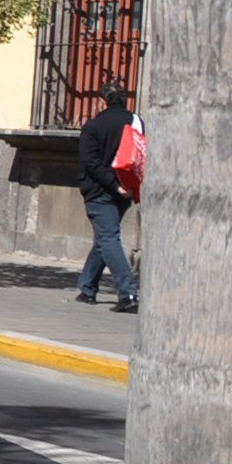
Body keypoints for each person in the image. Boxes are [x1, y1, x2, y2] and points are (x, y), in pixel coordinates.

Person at [75, 83, 141, 312]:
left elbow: (90, 162)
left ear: (103, 101)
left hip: (100, 191)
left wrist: (112, 184)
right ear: (125, 101)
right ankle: (87, 287)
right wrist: (125, 186)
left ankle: (128, 294)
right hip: (126, 189)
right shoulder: (136, 122)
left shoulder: (93, 127)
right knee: (105, 237)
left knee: (108, 238)